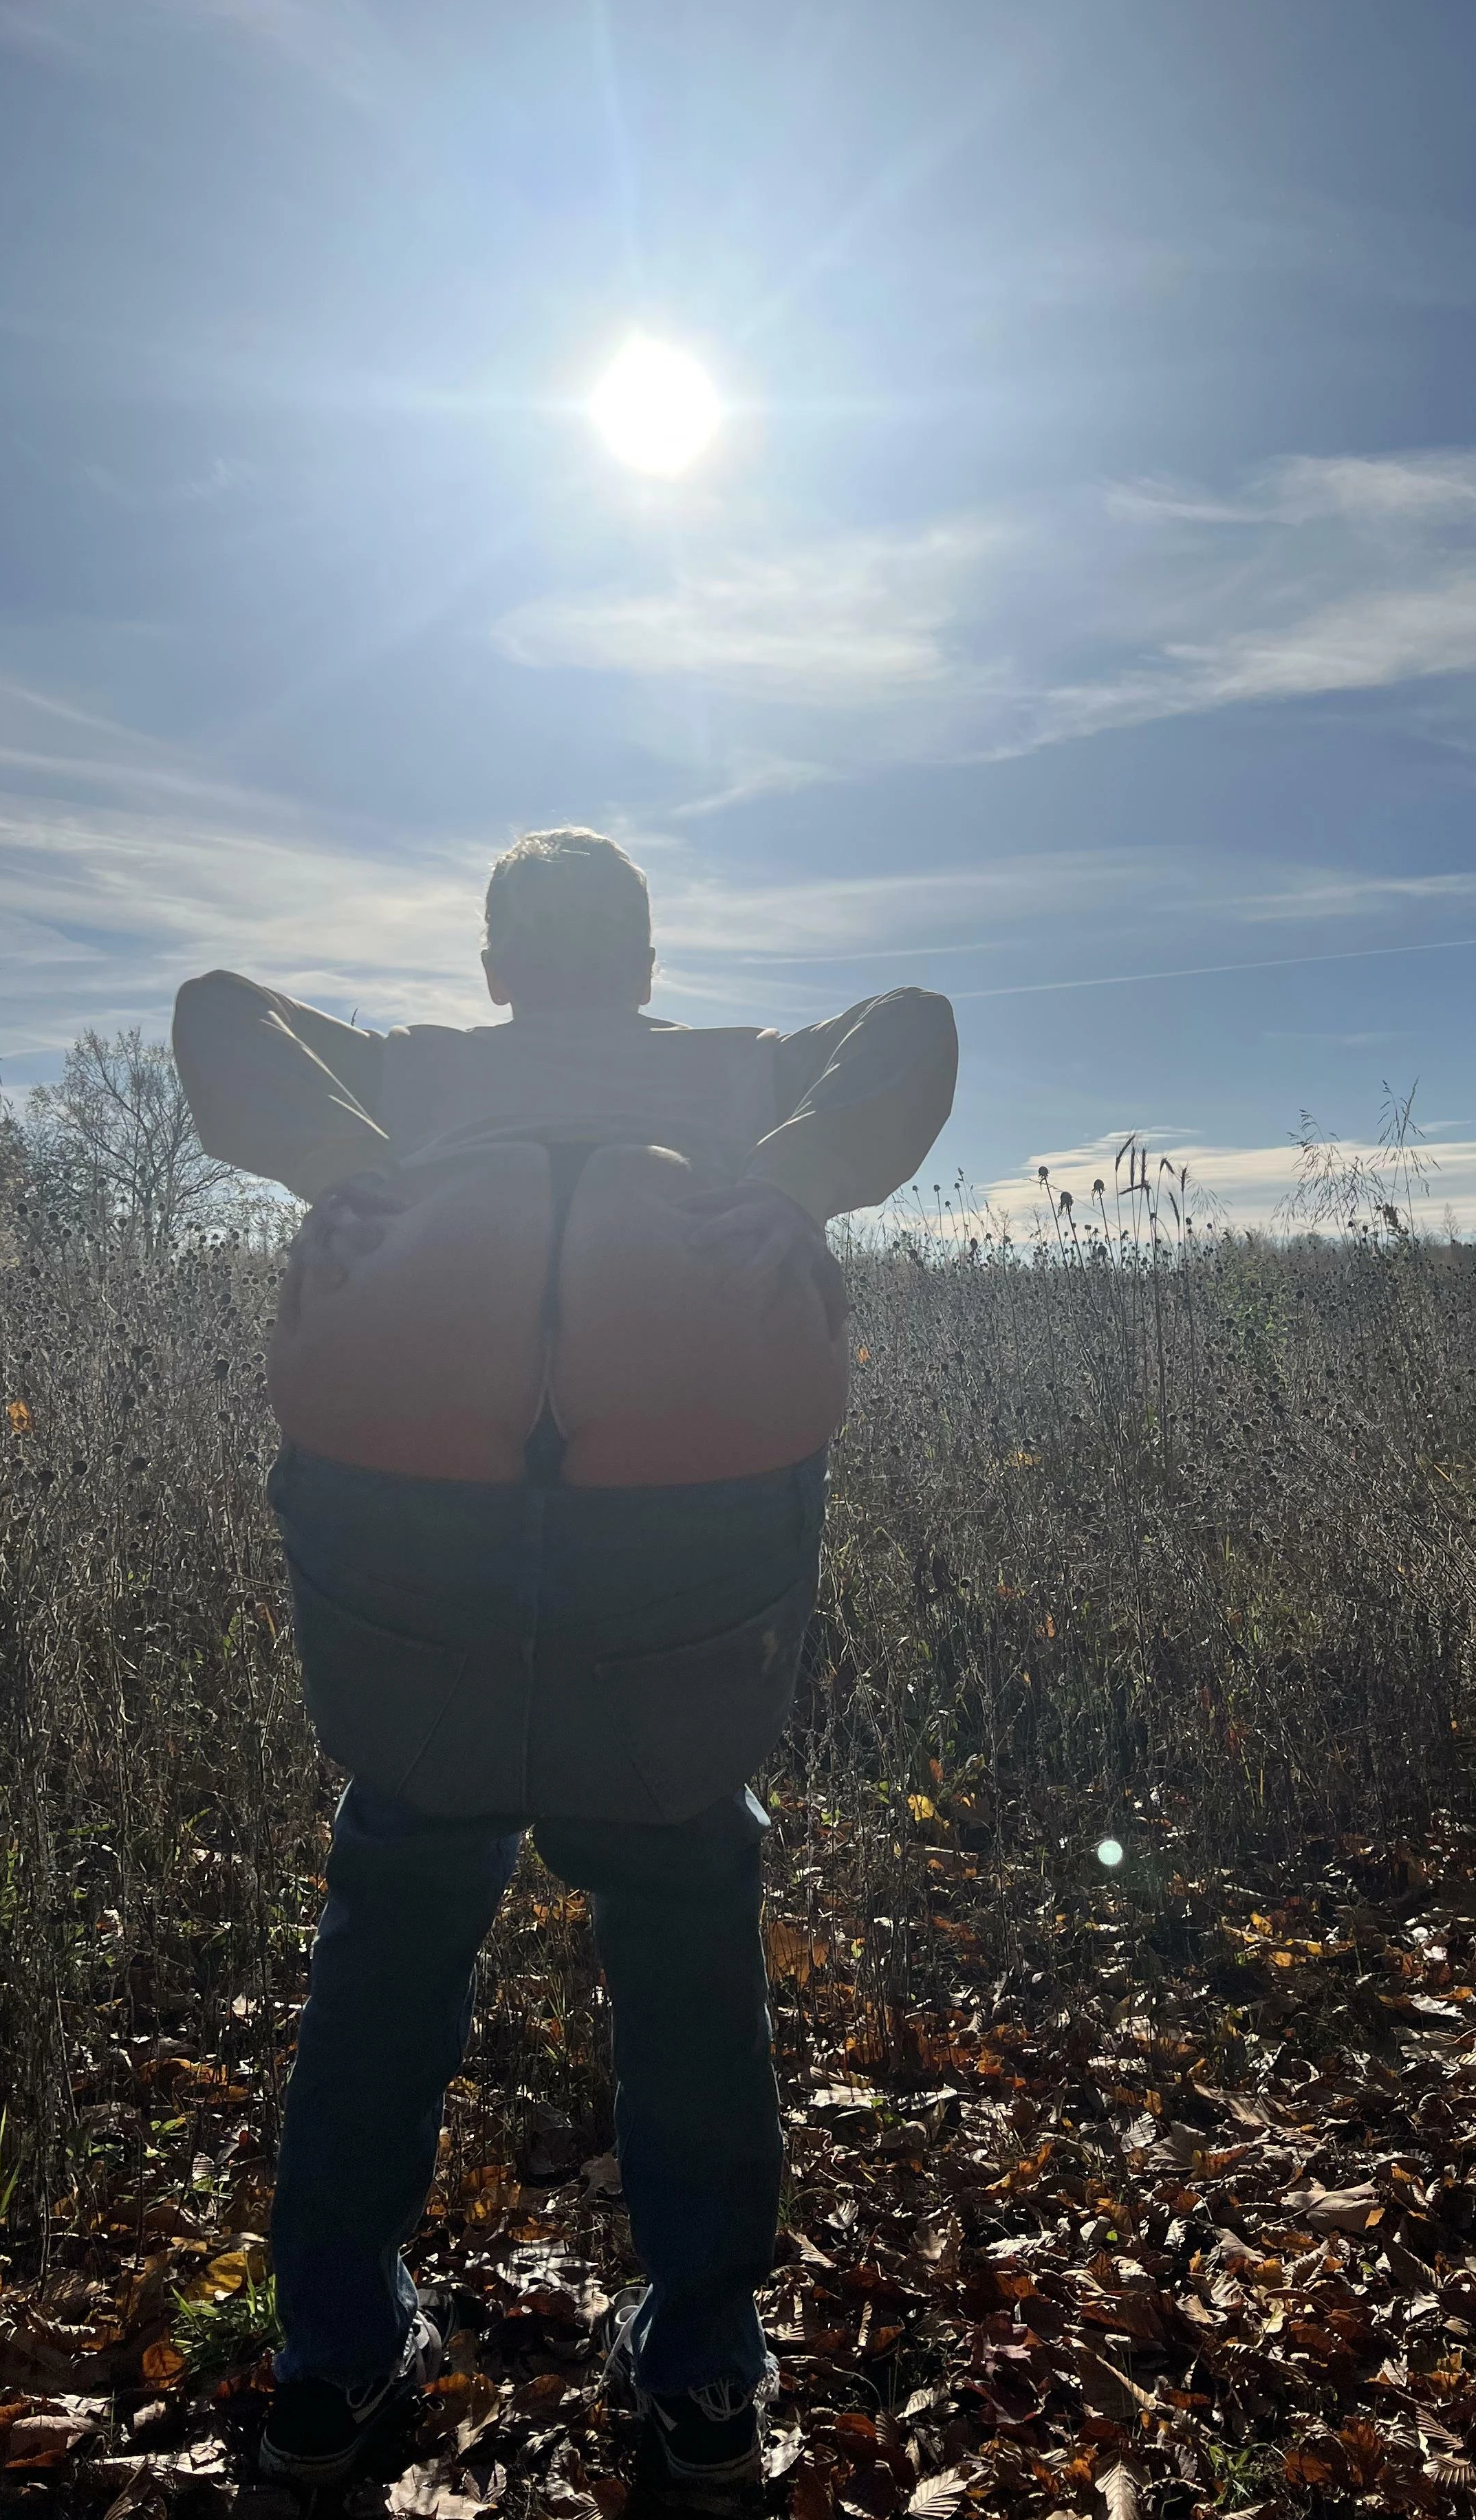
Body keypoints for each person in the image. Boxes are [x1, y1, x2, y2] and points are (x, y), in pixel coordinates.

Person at [173, 829, 956, 2510]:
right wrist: (799, 1176)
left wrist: (342, 1159)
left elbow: (215, 1011)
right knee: (682, 1897)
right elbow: (919, 1022)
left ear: (491, 966)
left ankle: (330, 2372)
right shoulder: (739, 1073)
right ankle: (703, 2389)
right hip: (687, 1515)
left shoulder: (427, 1071)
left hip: (409, 1515)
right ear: (652, 964)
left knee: (399, 1886)